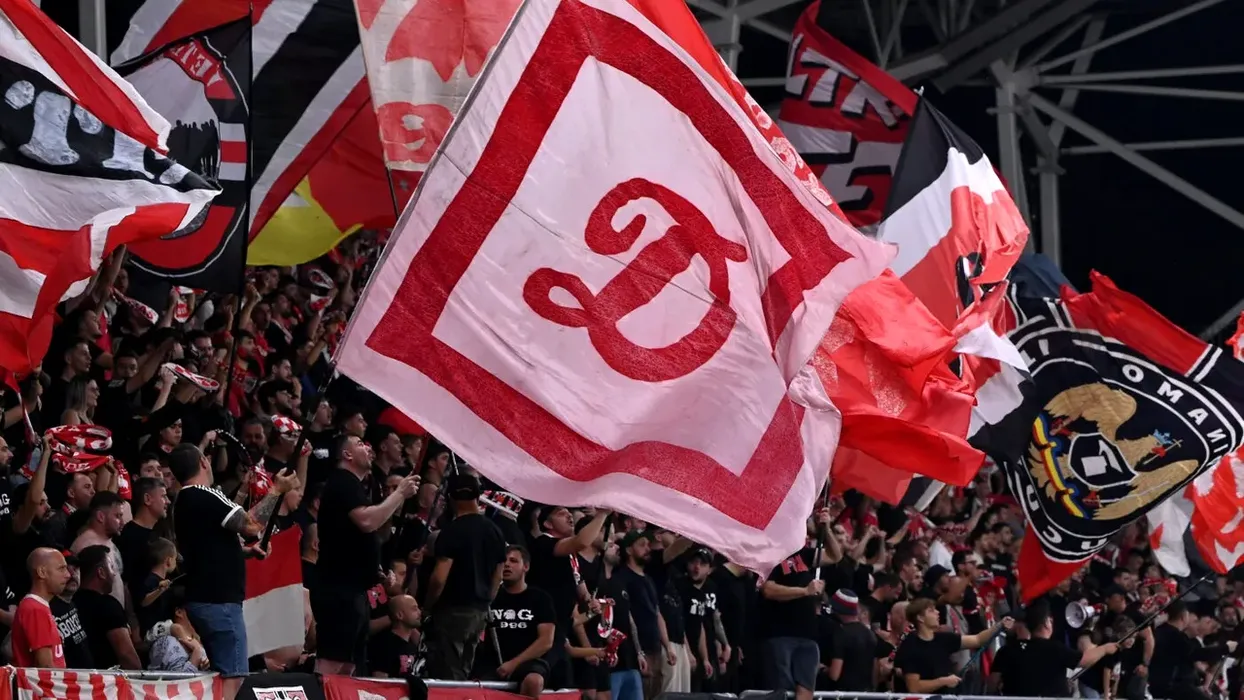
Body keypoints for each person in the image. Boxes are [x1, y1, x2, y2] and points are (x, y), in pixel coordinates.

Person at [170, 443, 290, 700]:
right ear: (203, 462)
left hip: (203, 598)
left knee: (221, 675)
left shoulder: (182, 501)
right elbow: (250, 525)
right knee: (233, 678)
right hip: (219, 602)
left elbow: (207, 547)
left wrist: (245, 552)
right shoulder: (205, 494)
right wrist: (276, 490)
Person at [313, 433, 420, 676]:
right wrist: (399, 493)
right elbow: (366, 521)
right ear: (347, 454)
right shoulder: (343, 481)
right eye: (360, 444)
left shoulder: (357, 486)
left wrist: (375, 570)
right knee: (332, 664)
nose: (368, 448)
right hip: (338, 589)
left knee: (349, 666)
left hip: (355, 590)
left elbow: (358, 537)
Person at [424, 472, 507, 681]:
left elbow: (439, 578)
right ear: (478, 497)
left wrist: (428, 605)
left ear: (450, 498)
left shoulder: (451, 531)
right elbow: (498, 574)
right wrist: (486, 600)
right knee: (465, 668)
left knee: (448, 671)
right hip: (479, 611)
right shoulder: (494, 530)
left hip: (452, 609)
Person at [998, 600, 1118, 697]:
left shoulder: (1008, 650)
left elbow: (992, 683)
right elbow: (1084, 660)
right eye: (1050, 620)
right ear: (1046, 623)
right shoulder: (1055, 648)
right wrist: (1105, 649)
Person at [894, 597, 1012, 694]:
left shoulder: (943, 639)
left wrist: (999, 625)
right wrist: (943, 681)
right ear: (920, 618)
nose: (937, 612)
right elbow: (914, 687)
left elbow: (977, 640)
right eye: (931, 611)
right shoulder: (911, 646)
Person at [611, 529, 676, 699]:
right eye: (642, 545)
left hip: (655, 647)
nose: (647, 549)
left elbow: (657, 612)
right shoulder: (622, 577)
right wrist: (638, 651)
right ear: (628, 550)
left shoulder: (648, 578)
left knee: (655, 692)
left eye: (648, 544)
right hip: (638, 649)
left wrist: (667, 646)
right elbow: (627, 615)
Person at [489, 545, 557, 698]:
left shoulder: (540, 598)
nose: (507, 565)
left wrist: (514, 663)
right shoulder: (491, 597)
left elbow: (546, 641)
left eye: (513, 561)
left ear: (526, 567)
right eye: (504, 561)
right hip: (491, 662)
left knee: (534, 681)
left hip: (529, 661)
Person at [1149, 600, 1237, 700]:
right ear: (1184, 616)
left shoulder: (1160, 630)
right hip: (1171, 686)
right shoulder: (1176, 637)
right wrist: (1226, 648)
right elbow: (1197, 654)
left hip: (1166, 683)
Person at [74, 544, 142, 669]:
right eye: (111, 567)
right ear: (101, 572)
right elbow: (126, 655)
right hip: (107, 677)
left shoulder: (71, 603)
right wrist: (139, 676)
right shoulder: (108, 606)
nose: (114, 574)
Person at [12, 548, 71, 668]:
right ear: (42, 572)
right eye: (61, 569)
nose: (68, 575)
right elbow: (46, 667)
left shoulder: (38, 607)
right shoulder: (35, 609)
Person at [70, 491, 127, 605]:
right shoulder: (86, 545)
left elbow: (120, 582)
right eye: (117, 516)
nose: (122, 522)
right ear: (101, 516)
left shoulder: (109, 541)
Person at [116, 476, 167, 594]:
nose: (167, 501)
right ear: (147, 499)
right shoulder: (130, 537)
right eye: (163, 496)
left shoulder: (156, 532)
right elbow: (126, 582)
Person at [826, 589, 877, 692]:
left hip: (844, 693)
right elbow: (875, 671)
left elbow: (834, 675)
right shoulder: (870, 634)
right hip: (866, 693)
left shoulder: (841, 633)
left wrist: (824, 670)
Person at [50, 551, 93, 669]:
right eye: (65, 569)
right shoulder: (47, 607)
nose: (72, 574)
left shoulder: (72, 603)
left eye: (76, 569)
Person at [369, 594, 425, 678]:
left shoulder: (414, 646)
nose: (419, 612)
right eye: (414, 609)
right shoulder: (385, 646)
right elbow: (380, 680)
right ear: (399, 615)